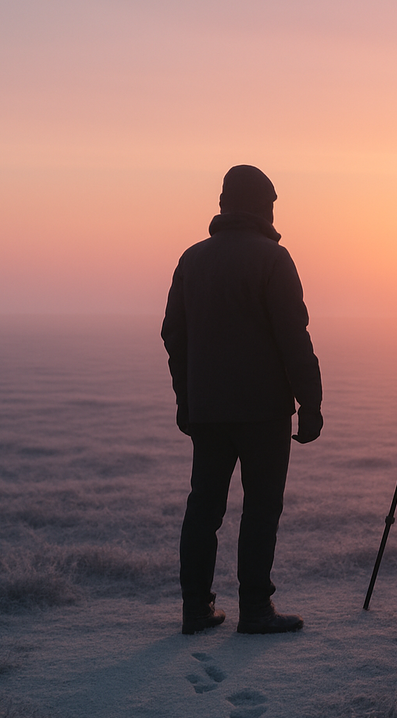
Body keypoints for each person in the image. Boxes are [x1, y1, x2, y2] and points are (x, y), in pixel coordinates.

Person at [161, 165, 323, 635]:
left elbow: (174, 335)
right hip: (264, 410)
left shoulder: (192, 259)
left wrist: (186, 399)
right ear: (259, 205)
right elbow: (294, 337)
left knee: (204, 508)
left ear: (223, 205)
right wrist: (309, 403)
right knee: (261, 509)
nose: (274, 210)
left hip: (208, 410)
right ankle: (254, 608)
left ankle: (196, 608)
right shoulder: (273, 260)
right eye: (270, 202)